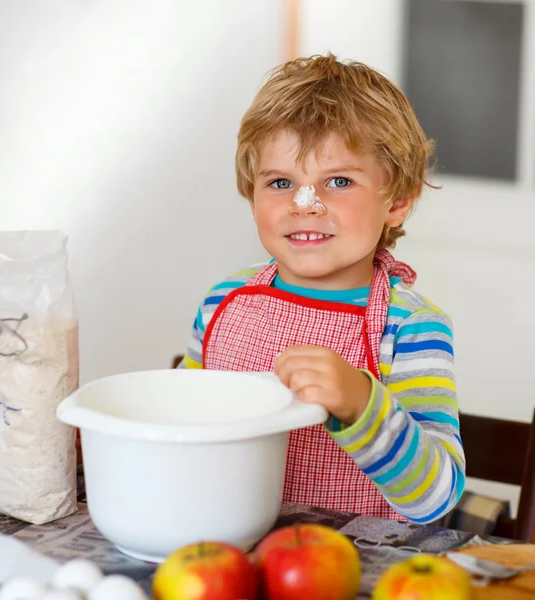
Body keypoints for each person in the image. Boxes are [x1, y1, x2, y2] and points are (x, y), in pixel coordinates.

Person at [178, 53, 465, 523]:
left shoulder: (411, 327)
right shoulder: (221, 303)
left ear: (396, 202)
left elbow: (435, 498)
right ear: (252, 196)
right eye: (280, 182)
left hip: (352, 570)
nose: (304, 204)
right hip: (224, 553)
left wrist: (362, 403)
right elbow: (182, 427)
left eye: (337, 181)